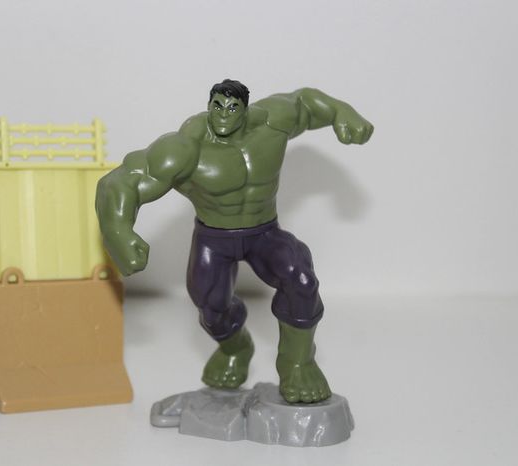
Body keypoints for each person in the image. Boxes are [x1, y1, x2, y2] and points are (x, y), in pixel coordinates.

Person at [95, 79, 373, 403]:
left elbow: (305, 103)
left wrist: (341, 111)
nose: (223, 114)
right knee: (211, 307)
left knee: (301, 278)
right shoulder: (185, 148)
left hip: (264, 233)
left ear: (245, 110)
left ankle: (298, 363)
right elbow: (121, 182)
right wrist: (118, 230)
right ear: (208, 105)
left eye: (232, 108)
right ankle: (236, 348)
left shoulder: (271, 123)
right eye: (217, 106)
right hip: (214, 239)